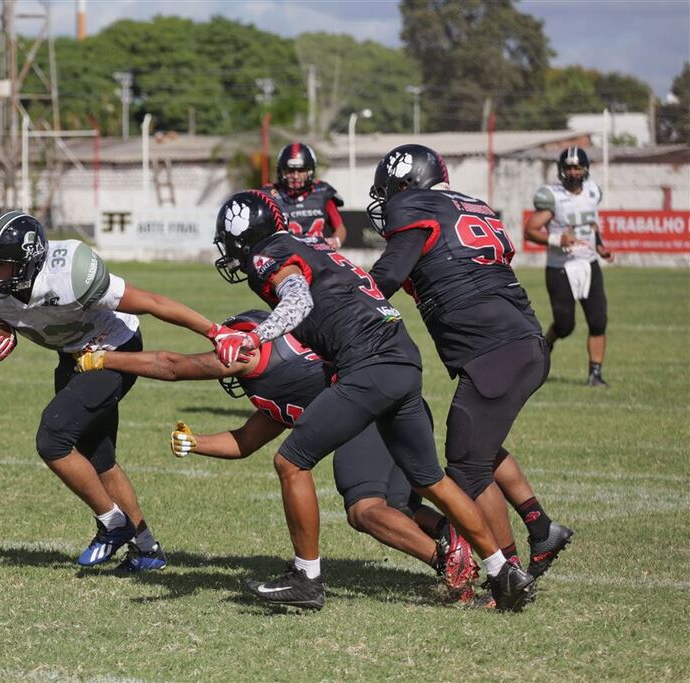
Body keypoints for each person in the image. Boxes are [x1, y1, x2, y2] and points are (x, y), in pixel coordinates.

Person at [210, 189, 534, 611]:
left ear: (242, 235)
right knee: (430, 478)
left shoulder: (267, 254)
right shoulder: (310, 243)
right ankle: (503, 572)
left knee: (290, 462)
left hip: (368, 364)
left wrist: (255, 334)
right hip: (402, 357)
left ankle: (306, 578)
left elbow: (298, 299)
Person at [74, 310, 480, 602]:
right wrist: (197, 442)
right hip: (397, 403)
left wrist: (102, 358)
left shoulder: (258, 356)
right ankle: (457, 539)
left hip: (372, 415)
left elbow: (172, 365)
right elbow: (245, 440)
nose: (226, 358)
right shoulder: (285, 375)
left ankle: (449, 562)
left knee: (365, 510)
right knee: (398, 509)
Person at [0, 211, 219, 573]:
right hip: (71, 356)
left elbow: (153, 303)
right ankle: (146, 548)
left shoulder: (71, 275)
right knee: (98, 456)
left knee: (53, 438)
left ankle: (112, 523)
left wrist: (215, 332)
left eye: (1, 264)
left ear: (30, 262)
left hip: (113, 350)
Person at [366, 143, 574, 581]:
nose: (388, 203)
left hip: (492, 350)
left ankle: (509, 570)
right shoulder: (470, 206)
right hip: (523, 340)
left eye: (392, 192)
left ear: (409, 185)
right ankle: (541, 527)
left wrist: (345, 302)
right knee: (478, 445)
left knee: (465, 467)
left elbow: (388, 273)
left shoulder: (415, 207)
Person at [523, 146, 613, 387]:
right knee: (565, 325)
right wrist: (557, 239)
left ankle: (595, 374)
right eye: (569, 167)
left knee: (598, 321)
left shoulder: (593, 191)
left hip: (588, 263)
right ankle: (547, 344)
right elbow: (529, 230)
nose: (573, 172)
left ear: (585, 169)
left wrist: (601, 246)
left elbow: (591, 221)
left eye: (577, 167)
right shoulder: (552, 196)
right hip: (560, 266)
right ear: (561, 170)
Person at [263, 142, 347, 250]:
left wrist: (336, 241)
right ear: (282, 170)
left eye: (301, 170)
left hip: (318, 254)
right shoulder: (269, 194)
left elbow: (339, 228)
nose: (296, 175)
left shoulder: (322, 191)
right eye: (290, 170)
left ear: (310, 171)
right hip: (285, 256)